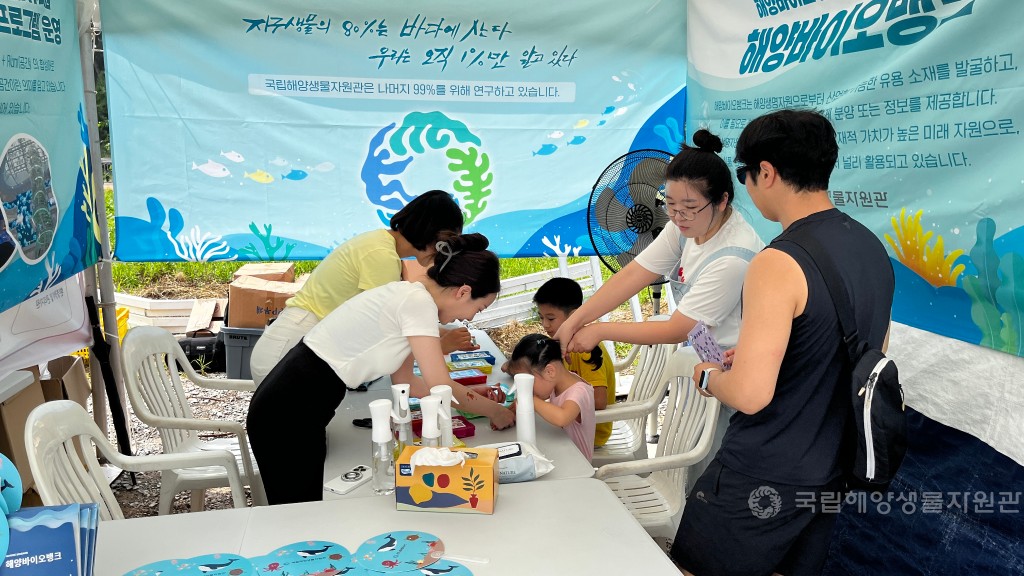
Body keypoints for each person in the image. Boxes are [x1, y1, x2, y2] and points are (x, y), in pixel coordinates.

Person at [670, 109, 895, 576]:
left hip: (764, 470)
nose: (749, 187)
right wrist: (761, 355)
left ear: (766, 172)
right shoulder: (872, 247)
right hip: (830, 471)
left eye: (745, 175)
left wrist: (708, 375)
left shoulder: (778, 260)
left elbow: (751, 395)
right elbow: (866, 352)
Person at [554, 129, 765, 479]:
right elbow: (632, 274)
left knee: (715, 474)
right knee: (691, 468)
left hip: (735, 376)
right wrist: (573, 322)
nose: (678, 215)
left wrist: (601, 330)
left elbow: (675, 328)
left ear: (723, 201)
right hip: (703, 367)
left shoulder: (734, 256)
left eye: (689, 208)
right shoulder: (684, 227)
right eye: (670, 204)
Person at [247, 233, 517, 505]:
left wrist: (475, 394)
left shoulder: (410, 296)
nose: (469, 318)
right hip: (288, 408)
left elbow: (408, 382)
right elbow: (440, 386)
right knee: (296, 514)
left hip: (295, 401)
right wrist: (495, 410)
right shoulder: (417, 303)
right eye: (478, 308)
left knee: (304, 508)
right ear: (464, 291)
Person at [249, 190, 477, 386]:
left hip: (295, 347)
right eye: (449, 241)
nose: (447, 251)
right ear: (434, 236)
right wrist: (440, 344)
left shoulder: (382, 245)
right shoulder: (382, 256)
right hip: (286, 352)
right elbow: (389, 325)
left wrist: (441, 335)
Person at [505, 277, 616, 447]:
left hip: (591, 435)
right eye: (541, 317)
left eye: (550, 318)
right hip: (565, 430)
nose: (544, 325)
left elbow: (600, 401)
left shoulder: (584, 351)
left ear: (573, 316)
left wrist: (533, 400)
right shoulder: (560, 347)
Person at [507, 334, 596, 462]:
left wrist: (529, 398)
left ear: (550, 372)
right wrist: (513, 411)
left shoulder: (579, 392)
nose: (529, 388)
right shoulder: (557, 381)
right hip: (560, 453)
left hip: (577, 465)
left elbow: (562, 418)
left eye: (529, 381)